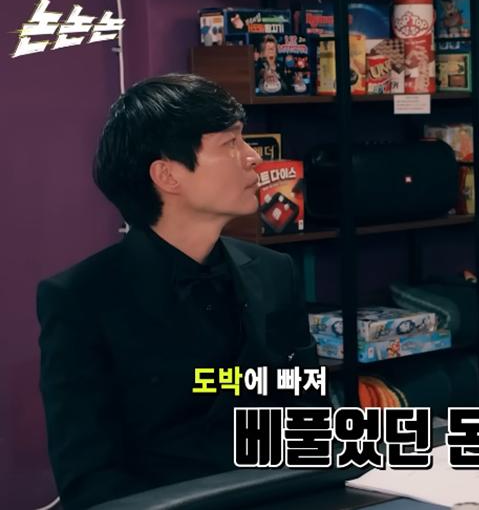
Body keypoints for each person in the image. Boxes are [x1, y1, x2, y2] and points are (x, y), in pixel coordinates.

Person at [36, 73, 328, 509]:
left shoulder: (274, 272)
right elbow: (90, 481)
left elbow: (309, 418)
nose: (253, 157)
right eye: (230, 143)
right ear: (167, 175)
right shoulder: (81, 298)